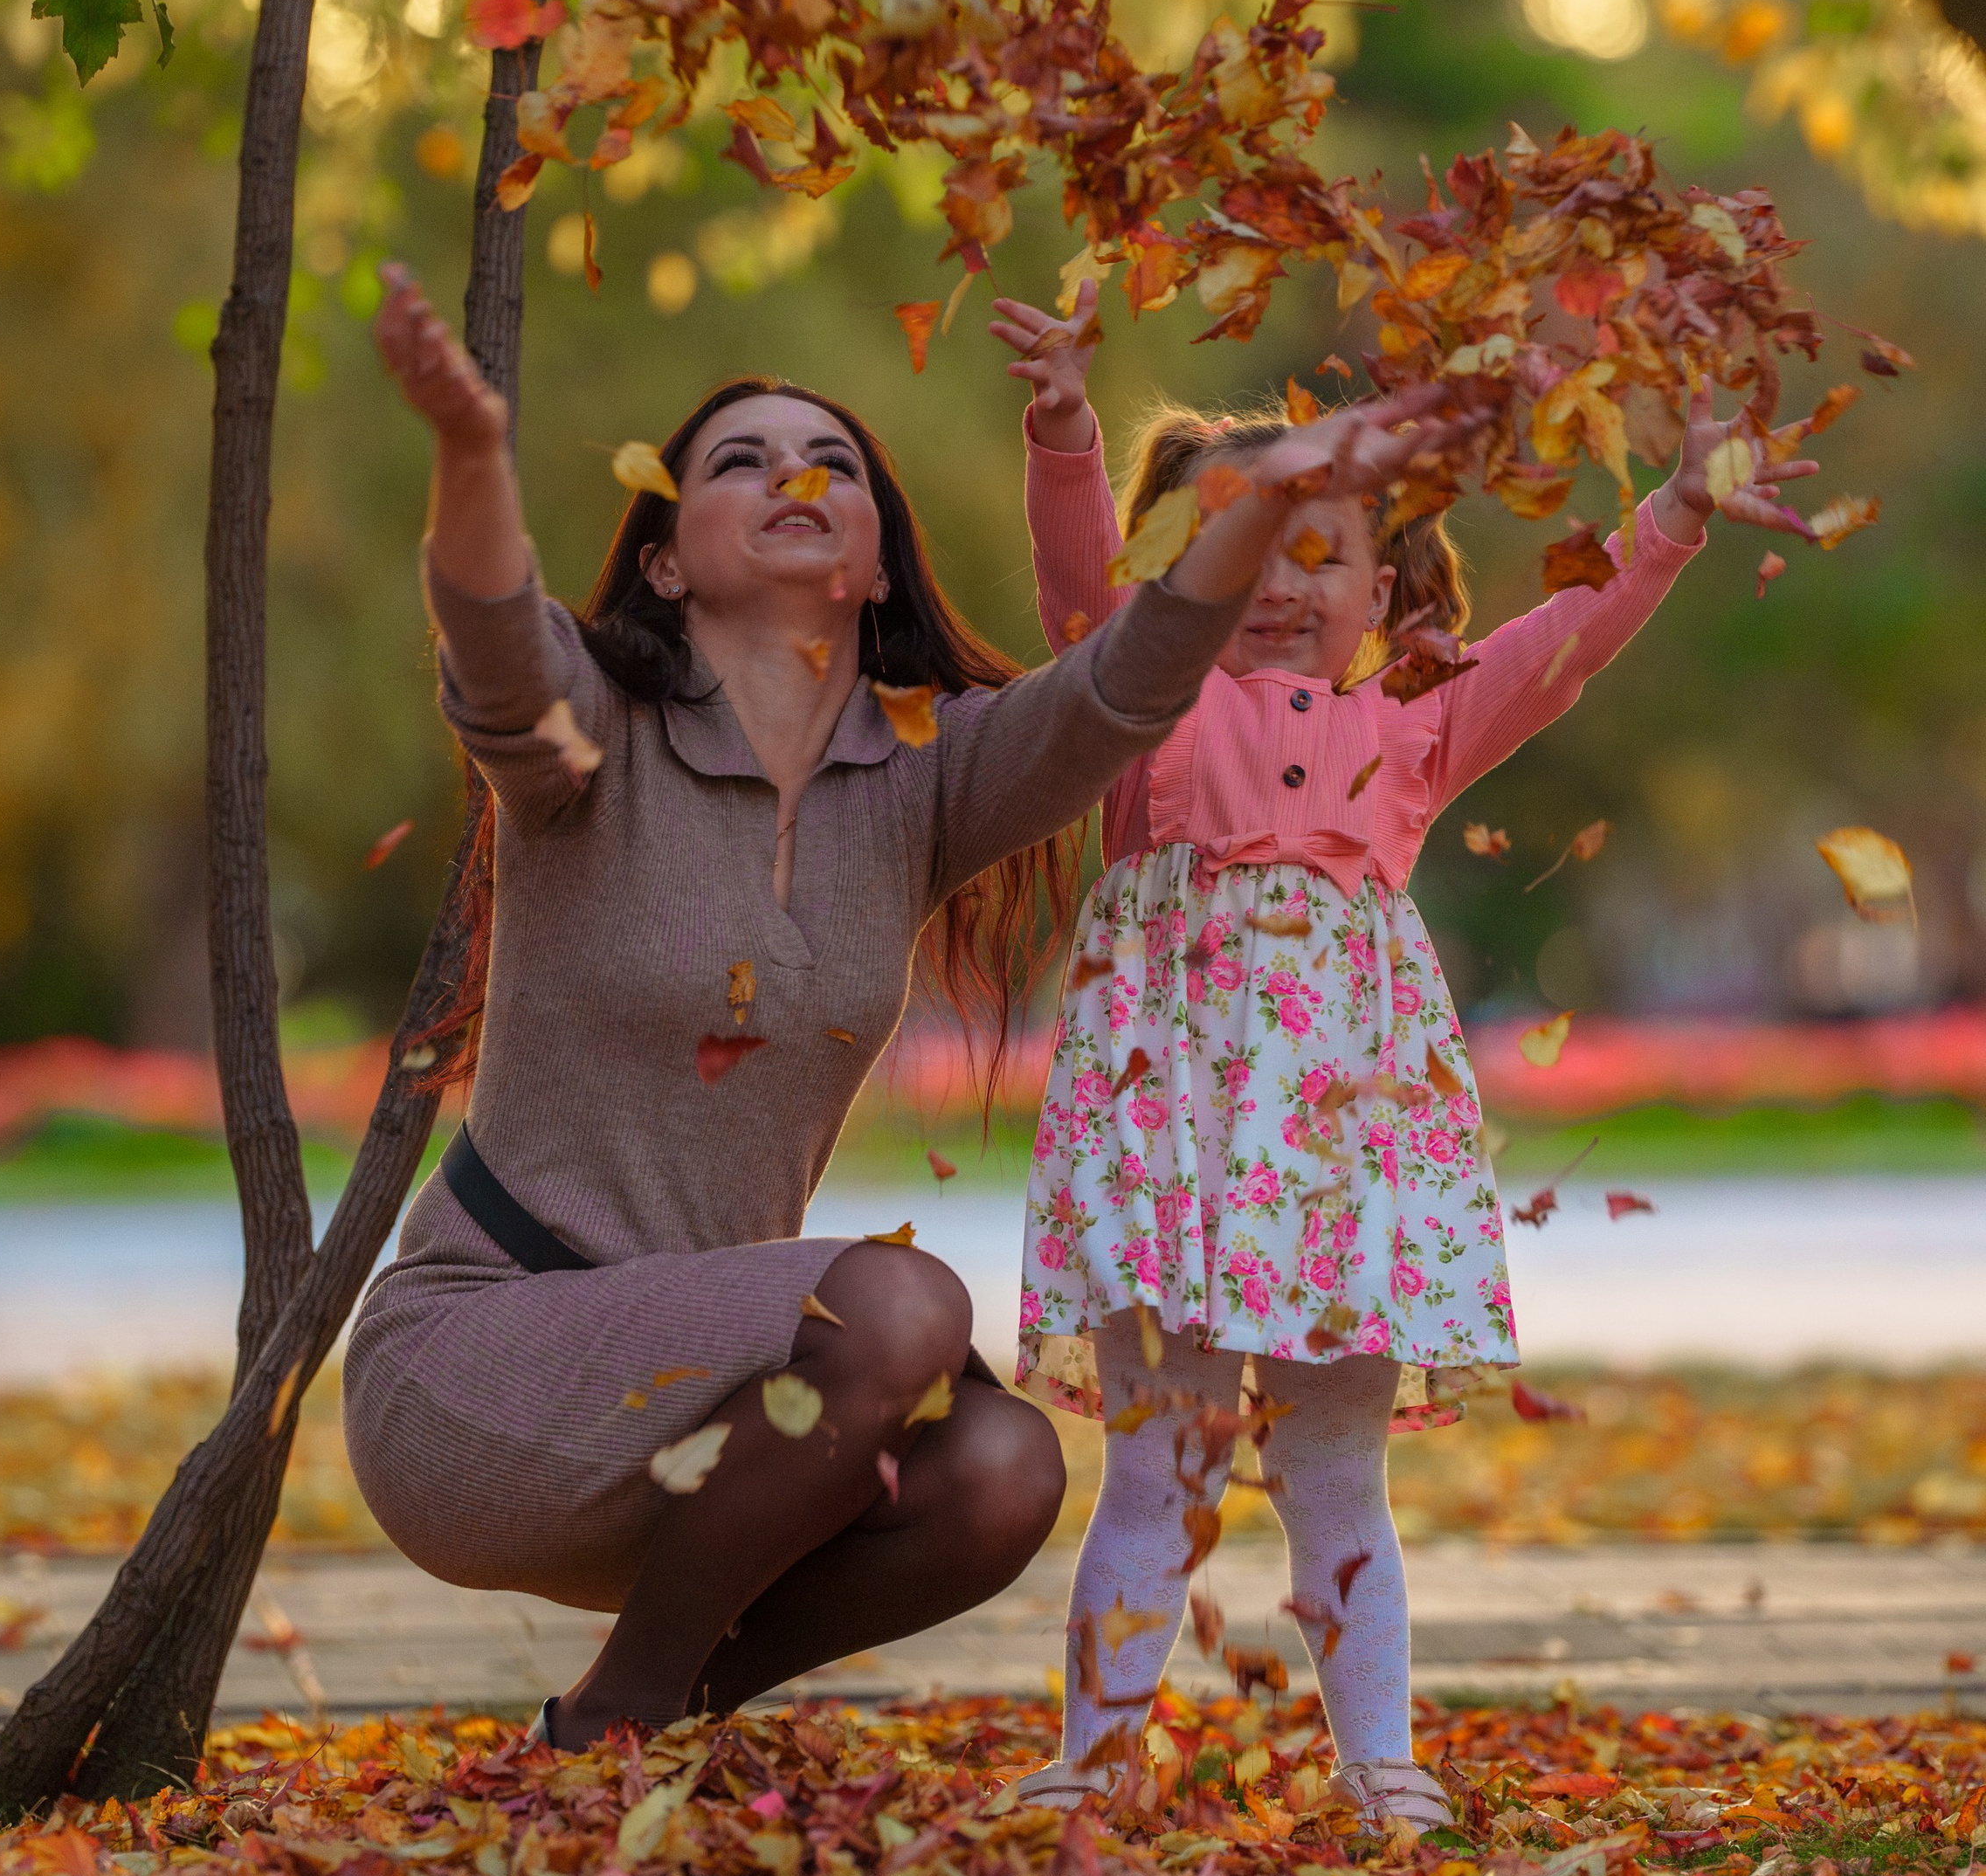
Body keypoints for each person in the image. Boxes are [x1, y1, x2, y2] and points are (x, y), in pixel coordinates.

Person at [341, 268, 1455, 1752]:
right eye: (741, 462)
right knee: (905, 1305)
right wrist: (470, 450)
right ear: (665, 562)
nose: (795, 476)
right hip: (483, 1371)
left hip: (725, 1422)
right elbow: (491, 640)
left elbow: (1130, 682)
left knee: (1002, 1471)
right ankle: (624, 1718)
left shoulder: (924, 776)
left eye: (834, 464)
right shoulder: (591, 737)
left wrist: (1269, 501)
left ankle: (623, 1727)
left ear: (876, 567)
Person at [989, 281, 1817, 1824]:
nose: (1279, 585)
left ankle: (1382, 1763)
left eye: (1320, 554)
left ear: (1388, 585)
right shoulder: (1144, 706)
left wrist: (1676, 519)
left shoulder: (1418, 726)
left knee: (1334, 1476)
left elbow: (1563, 646)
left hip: (1341, 1159)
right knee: (1158, 1472)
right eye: (1235, 551)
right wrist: (1063, 429)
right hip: (1168, 1144)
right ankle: (1092, 1765)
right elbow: (1078, 588)